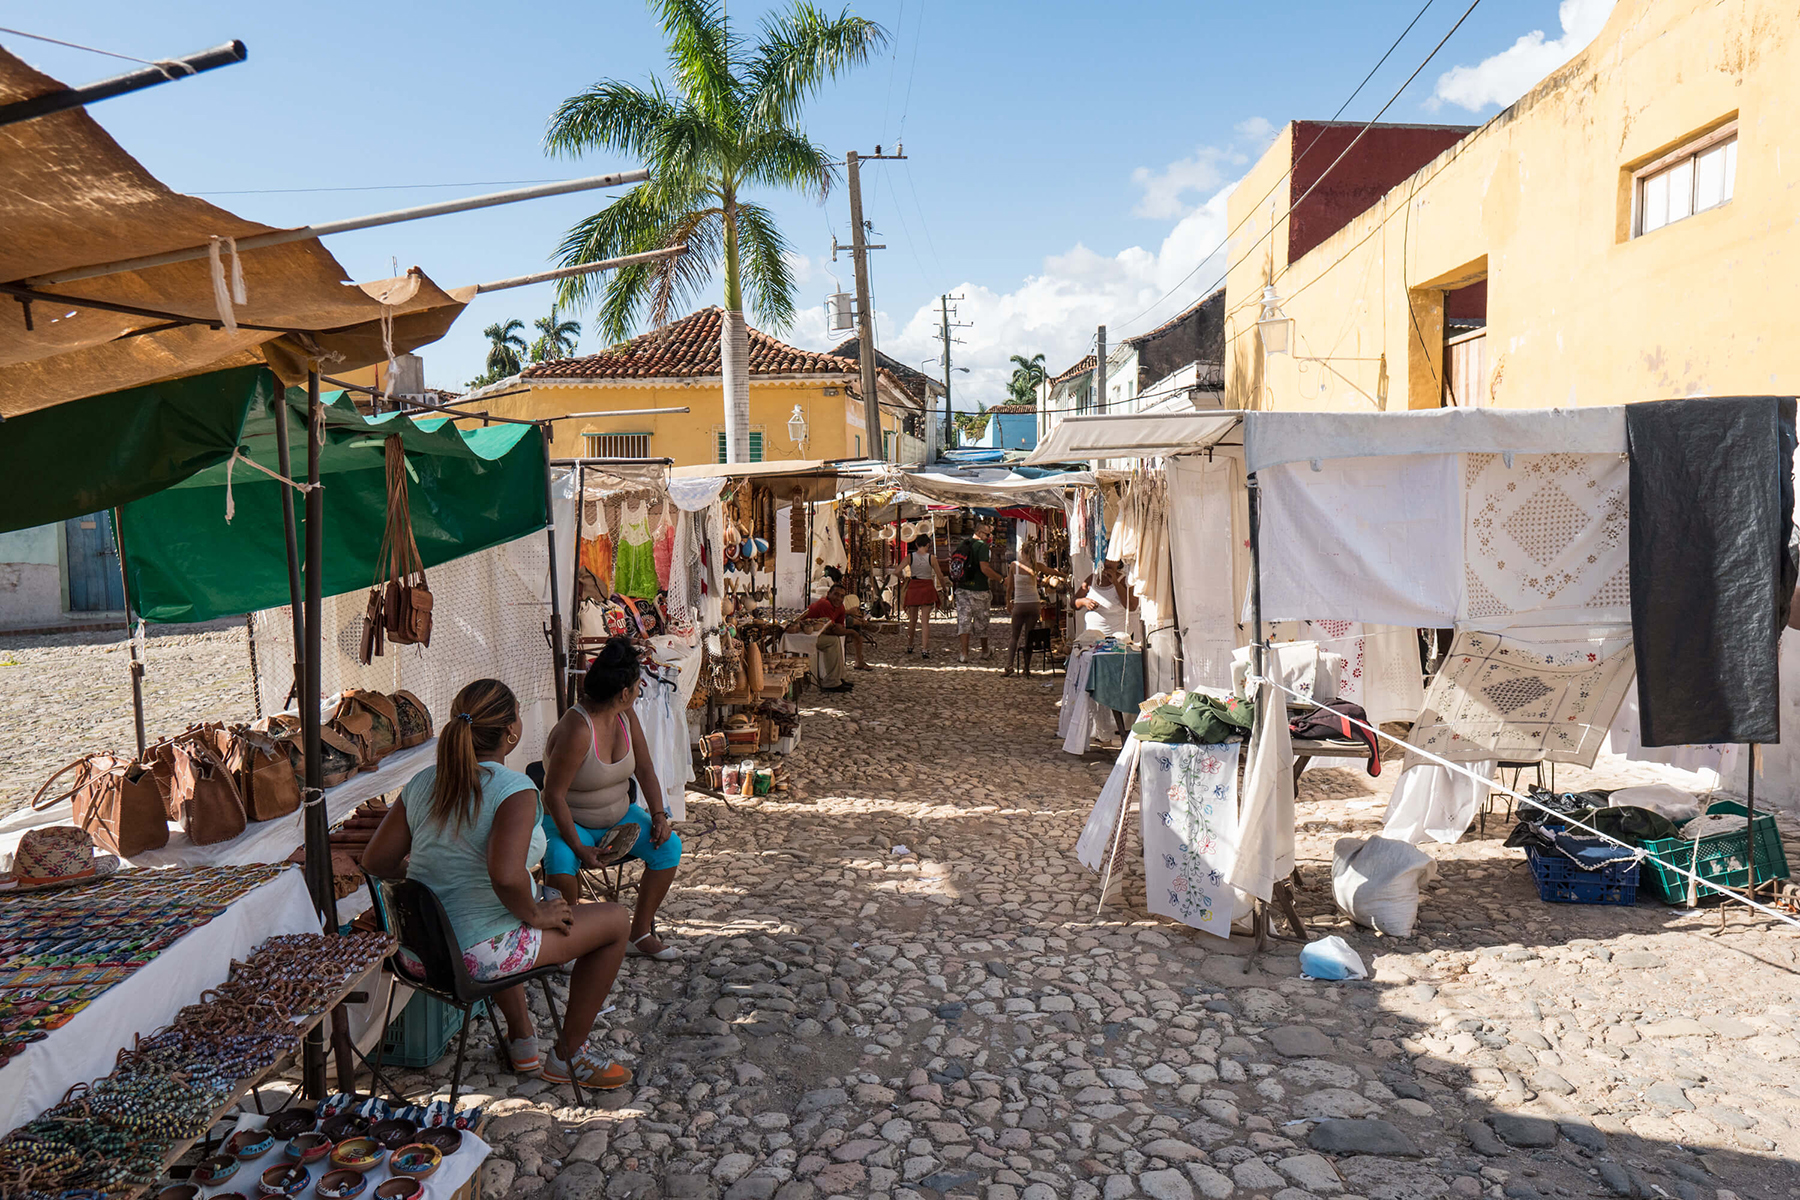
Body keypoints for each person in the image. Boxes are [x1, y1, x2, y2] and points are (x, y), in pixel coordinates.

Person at [362, 679, 634, 1090]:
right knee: (614, 921)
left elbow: (375, 861)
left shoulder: (421, 784)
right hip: (473, 958)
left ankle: (523, 1041)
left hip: (419, 954)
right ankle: (569, 1057)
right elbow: (505, 876)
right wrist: (534, 912)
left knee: (502, 917)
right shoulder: (514, 791)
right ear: (511, 732)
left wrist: (434, 876)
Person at [539, 637, 683, 963]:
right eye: (636, 686)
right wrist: (579, 847)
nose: (638, 692)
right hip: (569, 820)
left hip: (620, 816)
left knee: (669, 847)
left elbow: (645, 768)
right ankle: (568, 943)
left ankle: (641, 932)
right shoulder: (578, 729)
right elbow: (554, 795)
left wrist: (659, 814)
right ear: (623, 693)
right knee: (561, 862)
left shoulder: (625, 715)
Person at [796, 582, 866, 691]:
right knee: (833, 641)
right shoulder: (825, 604)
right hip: (805, 635)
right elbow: (831, 629)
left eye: (842, 596)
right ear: (829, 594)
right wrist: (852, 633)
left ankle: (836, 679)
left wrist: (845, 631)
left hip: (818, 633)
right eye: (836, 594)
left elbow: (838, 628)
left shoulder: (840, 607)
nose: (838, 598)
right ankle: (831, 682)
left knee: (835, 640)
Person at [954, 518, 1005, 663]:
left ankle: (964, 654)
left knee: (963, 621)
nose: (989, 538)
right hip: (979, 590)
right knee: (981, 621)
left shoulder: (962, 544)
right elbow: (985, 568)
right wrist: (1000, 579)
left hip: (962, 588)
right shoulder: (982, 546)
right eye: (987, 535)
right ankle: (984, 651)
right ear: (979, 533)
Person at [1004, 542, 1043, 677]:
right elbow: (1052, 571)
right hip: (1034, 604)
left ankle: (1009, 666)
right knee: (1028, 637)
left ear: (1022, 551)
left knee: (1014, 636)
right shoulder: (1036, 565)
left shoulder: (1014, 566)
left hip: (1020, 604)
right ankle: (1026, 668)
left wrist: (1008, 602)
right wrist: (1062, 575)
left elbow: (1009, 587)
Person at [902, 533, 944, 658]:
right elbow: (940, 575)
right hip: (926, 586)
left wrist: (904, 578)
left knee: (912, 619)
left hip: (914, 586)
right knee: (925, 621)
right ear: (928, 545)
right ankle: (924, 649)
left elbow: (897, 570)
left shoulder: (910, 557)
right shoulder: (931, 558)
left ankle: (910, 645)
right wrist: (945, 588)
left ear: (916, 544)